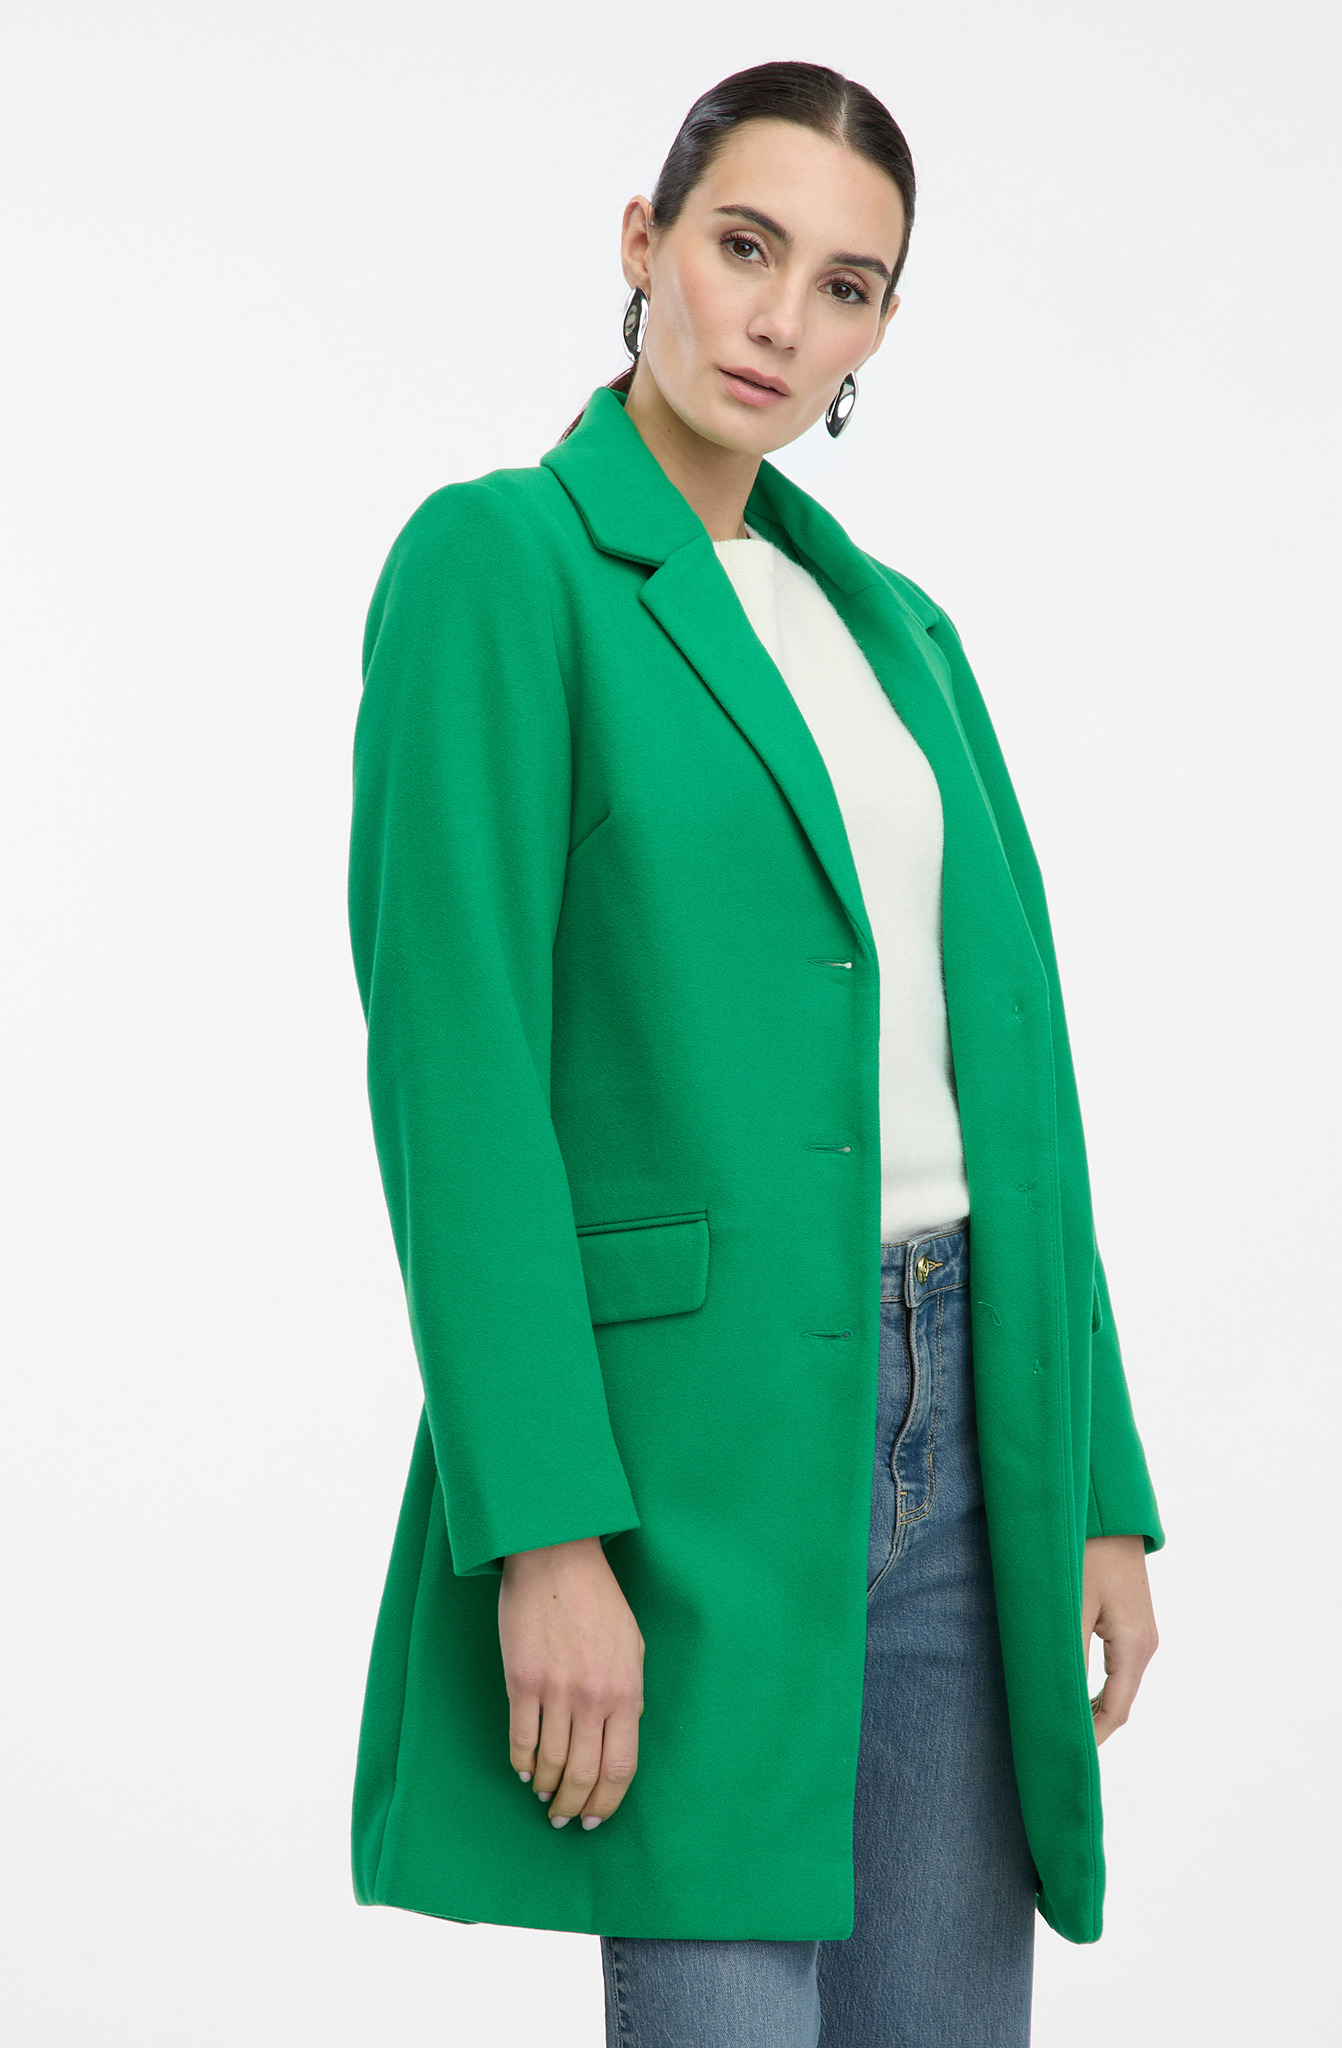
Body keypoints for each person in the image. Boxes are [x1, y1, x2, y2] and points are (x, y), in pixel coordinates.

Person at [348, 58, 1164, 2048]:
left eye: (847, 285)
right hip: (684, 1465)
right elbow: (460, 1076)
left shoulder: (899, 634)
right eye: (745, 245)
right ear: (644, 244)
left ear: (881, 329)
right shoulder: (502, 565)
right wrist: (545, 1533)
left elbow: (1016, 1081)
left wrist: (1096, 1475)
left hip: (971, 1433)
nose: (783, 317)